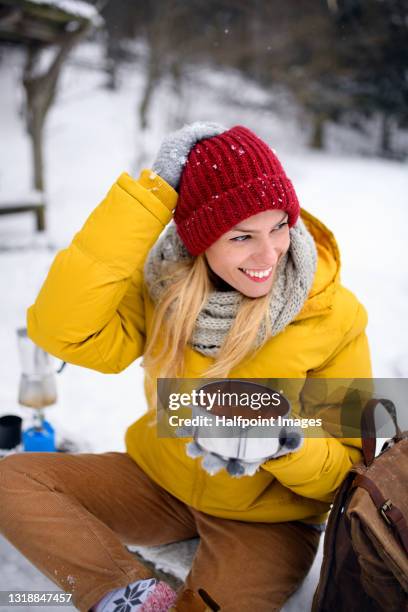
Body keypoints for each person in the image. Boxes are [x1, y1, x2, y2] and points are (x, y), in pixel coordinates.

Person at [0, 123, 372, 612]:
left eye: (279, 225)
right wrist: (151, 197)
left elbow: (349, 469)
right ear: (200, 239)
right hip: (158, 481)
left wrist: (283, 441)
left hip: (265, 520)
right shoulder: (166, 288)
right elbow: (58, 330)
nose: (269, 255)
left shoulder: (331, 313)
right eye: (242, 237)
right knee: (13, 481)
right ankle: (122, 596)